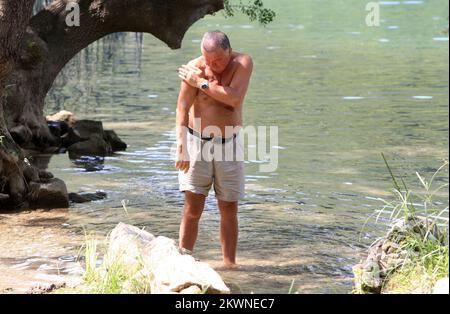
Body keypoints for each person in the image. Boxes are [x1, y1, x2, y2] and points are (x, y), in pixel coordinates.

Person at [175, 30, 253, 268]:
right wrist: (181, 147)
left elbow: (233, 99)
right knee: (193, 205)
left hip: (229, 144)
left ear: (229, 51)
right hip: (196, 143)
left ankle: (230, 266)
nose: (212, 65)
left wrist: (200, 82)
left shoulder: (242, 63)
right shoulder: (194, 67)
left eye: (217, 60)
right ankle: (183, 262)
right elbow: (181, 108)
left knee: (229, 206)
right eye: (207, 60)